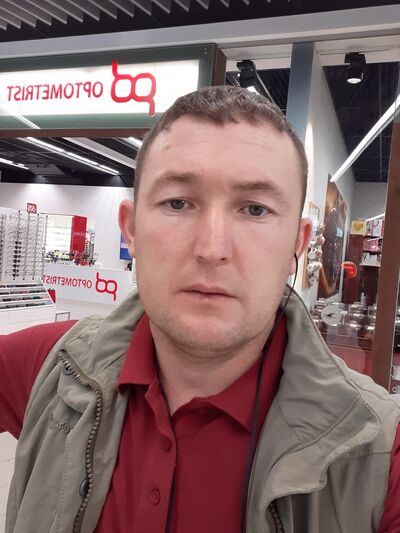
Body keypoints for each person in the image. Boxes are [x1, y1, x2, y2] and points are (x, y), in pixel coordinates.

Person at [1, 85, 400, 533]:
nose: (212, 249)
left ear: (297, 243)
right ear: (131, 230)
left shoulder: (377, 451)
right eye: (177, 203)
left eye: (255, 209)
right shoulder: (58, 365)